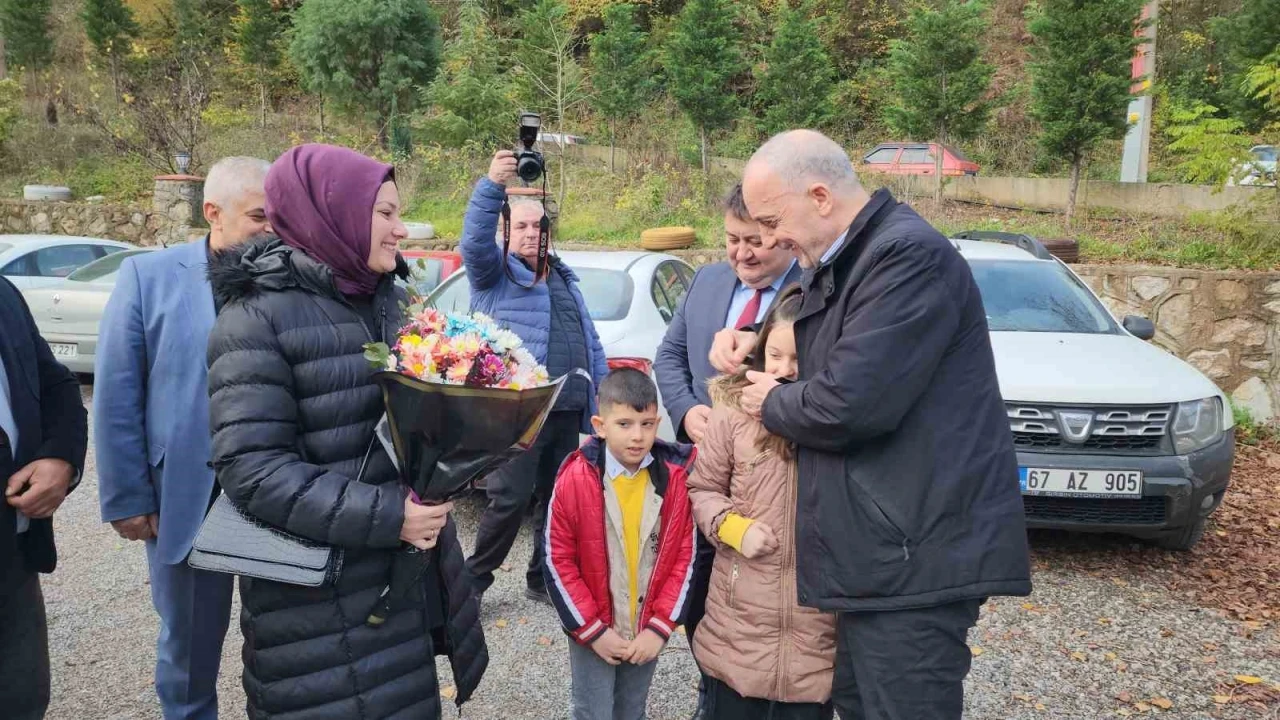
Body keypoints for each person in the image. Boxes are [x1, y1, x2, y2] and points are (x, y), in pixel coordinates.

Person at [709, 130, 1032, 720]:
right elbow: (827, 346)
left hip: (913, 556)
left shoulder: (905, 257)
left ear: (821, 196)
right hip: (878, 558)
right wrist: (750, 343)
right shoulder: (851, 259)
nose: (771, 238)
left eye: (774, 219)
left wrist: (767, 403)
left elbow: (850, 402)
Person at [205, 144, 487, 720]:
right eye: (384, 213)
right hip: (315, 609)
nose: (401, 228)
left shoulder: (389, 302)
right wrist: (391, 517)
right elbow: (252, 470)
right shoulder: (256, 317)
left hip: (400, 587)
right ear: (331, 213)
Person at [95, 156, 271, 720]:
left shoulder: (285, 277)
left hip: (274, 494)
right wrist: (127, 497)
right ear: (212, 213)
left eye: (278, 218)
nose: (271, 230)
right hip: (186, 496)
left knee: (283, 640)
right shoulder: (147, 278)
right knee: (190, 646)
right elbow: (119, 394)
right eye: (258, 217)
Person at [653, 182, 800, 719]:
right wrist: (689, 412)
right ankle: (711, 688)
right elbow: (668, 355)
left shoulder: (812, 293)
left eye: (755, 241)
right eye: (732, 240)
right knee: (700, 596)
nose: (741, 253)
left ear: (785, 239)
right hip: (705, 475)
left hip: (773, 486)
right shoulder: (709, 281)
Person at [461, 149, 609, 606]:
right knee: (509, 498)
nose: (530, 233)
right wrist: (491, 188)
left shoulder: (564, 279)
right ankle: (470, 586)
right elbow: (473, 245)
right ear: (505, 232)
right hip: (518, 411)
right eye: (520, 226)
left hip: (565, 408)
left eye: (537, 226)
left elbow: (592, 344)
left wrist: (600, 405)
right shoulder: (495, 276)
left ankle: (539, 578)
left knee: (554, 499)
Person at [688, 286, 836, 720]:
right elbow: (702, 489)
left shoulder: (839, 424)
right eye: (775, 357)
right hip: (738, 629)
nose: (786, 370)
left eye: (798, 358)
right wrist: (735, 529)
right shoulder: (732, 415)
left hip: (815, 637)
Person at [543, 368, 697, 720]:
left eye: (646, 424)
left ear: (658, 424)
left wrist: (660, 628)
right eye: (624, 424)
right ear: (599, 425)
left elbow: (684, 559)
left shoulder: (674, 481)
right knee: (592, 711)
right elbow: (556, 560)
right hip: (594, 626)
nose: (637, 436)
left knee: (631, 710)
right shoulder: (574, 480)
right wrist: (592, 631)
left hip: (645, 627)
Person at [0, 276, 88, 720]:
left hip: (13, 559)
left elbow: (56, 386)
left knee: (21, 699)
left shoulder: (3, 293)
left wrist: (60, 457)